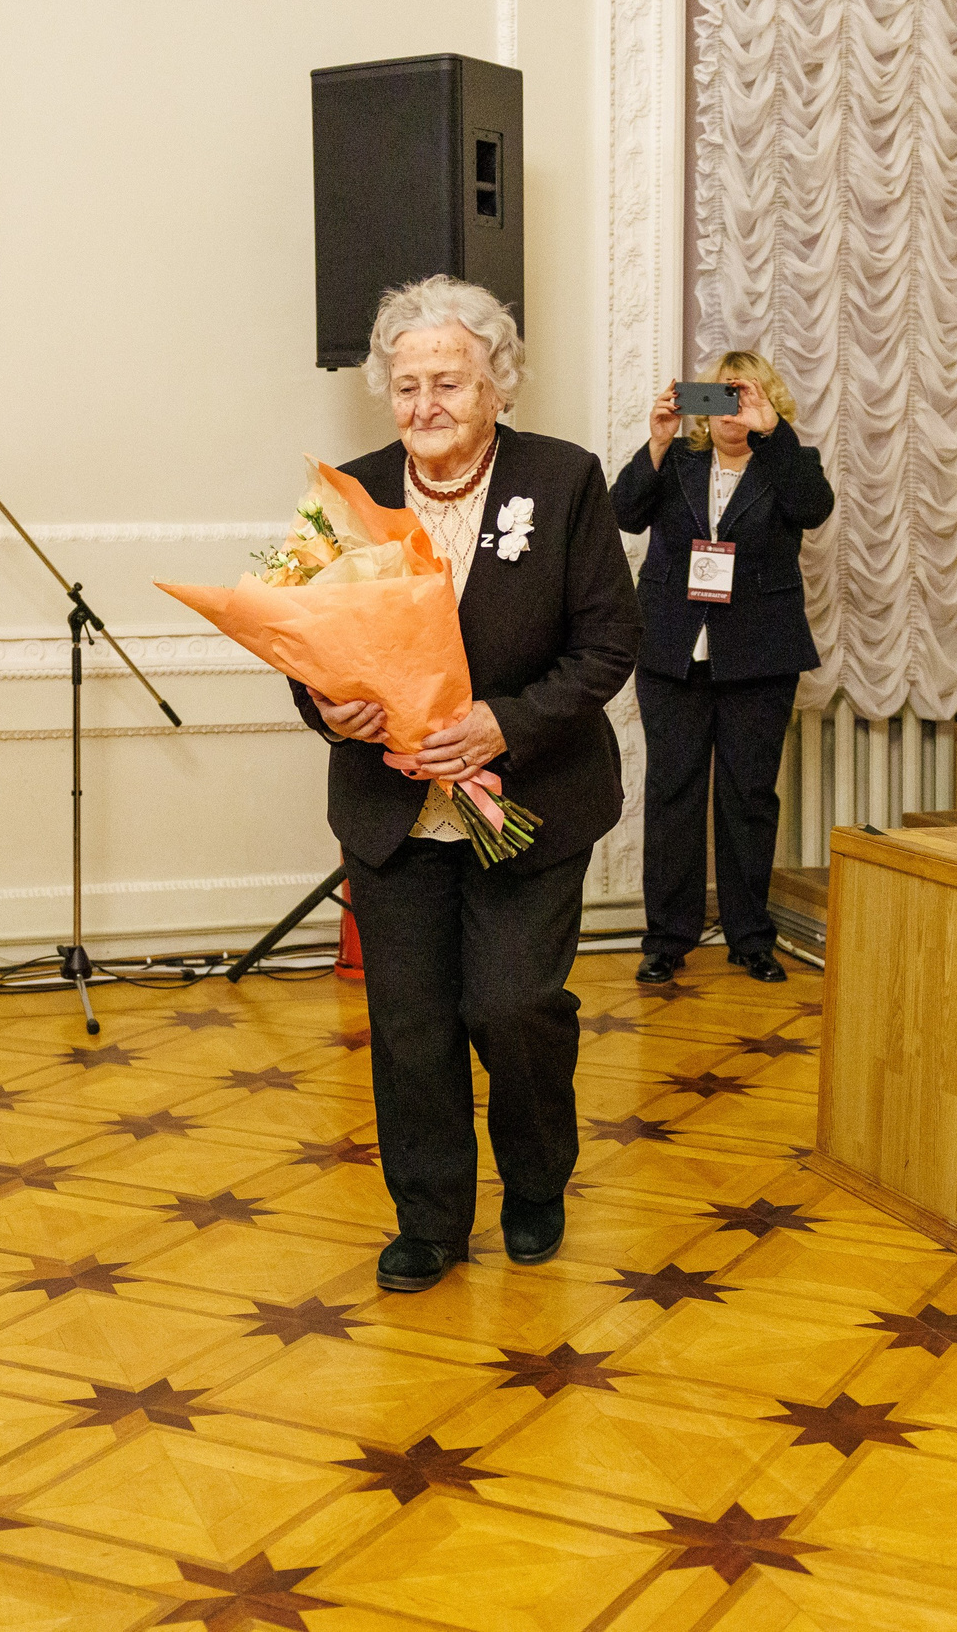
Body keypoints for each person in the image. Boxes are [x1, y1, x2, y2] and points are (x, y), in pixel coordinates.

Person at [296, 276, 641, 1293]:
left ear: (497, 384)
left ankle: (536, 1180)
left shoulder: (563, 480)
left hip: (529, 804)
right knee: (410, 1025)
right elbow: (304, 641)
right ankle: (430, 1220)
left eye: (448, 381)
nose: (424, 405)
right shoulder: (346, 496)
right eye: (405, 386)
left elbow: (608, 642)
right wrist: (326, 706)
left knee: (512, 1005)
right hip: (395, 807)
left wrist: (504, 724)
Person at [613, 351, 833, 985]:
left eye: (747, 395)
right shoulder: (677, 462)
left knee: (748, 798)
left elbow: (813, 507)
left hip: (759, 657)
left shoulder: (790, 463)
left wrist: (772, 435)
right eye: (722, 396)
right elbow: (622, 513)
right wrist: (655, 442)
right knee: (673, 793)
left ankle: (749, 937)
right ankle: (667, 938)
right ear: (700, 406)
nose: (734, 408)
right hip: (673, 652)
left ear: (768, 401)